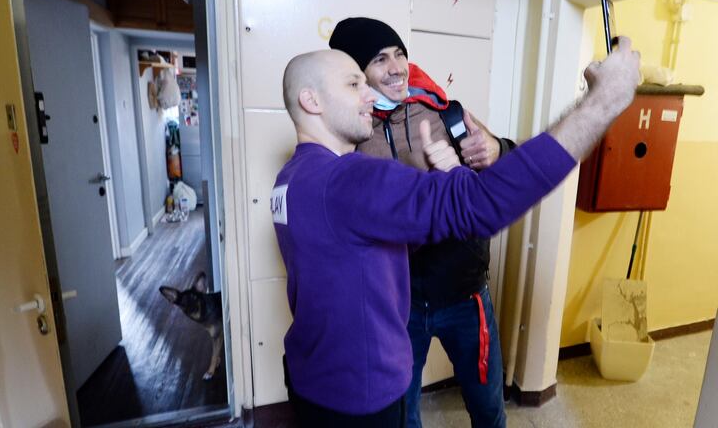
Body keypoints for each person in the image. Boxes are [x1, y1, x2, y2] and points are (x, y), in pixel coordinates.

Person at [272, 41, 639, 427]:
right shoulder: (349, 178)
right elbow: (480, 205)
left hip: (311, 380)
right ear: (311, 100)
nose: (370, 94)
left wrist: (453, 177)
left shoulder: (291, 179)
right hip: (363, 397)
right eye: (353, 84)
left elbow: (357, 249)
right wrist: (603, 102)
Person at [329, 16, 510, 427]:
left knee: (488, 409)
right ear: (355, 74)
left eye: (400, 55)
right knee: (401, 415)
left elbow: (504, 177)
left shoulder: (448, 114)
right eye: (379, 59)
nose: (396, 68)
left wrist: (498, 150)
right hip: (395, 304)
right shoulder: (348, 135)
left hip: (466, 295)